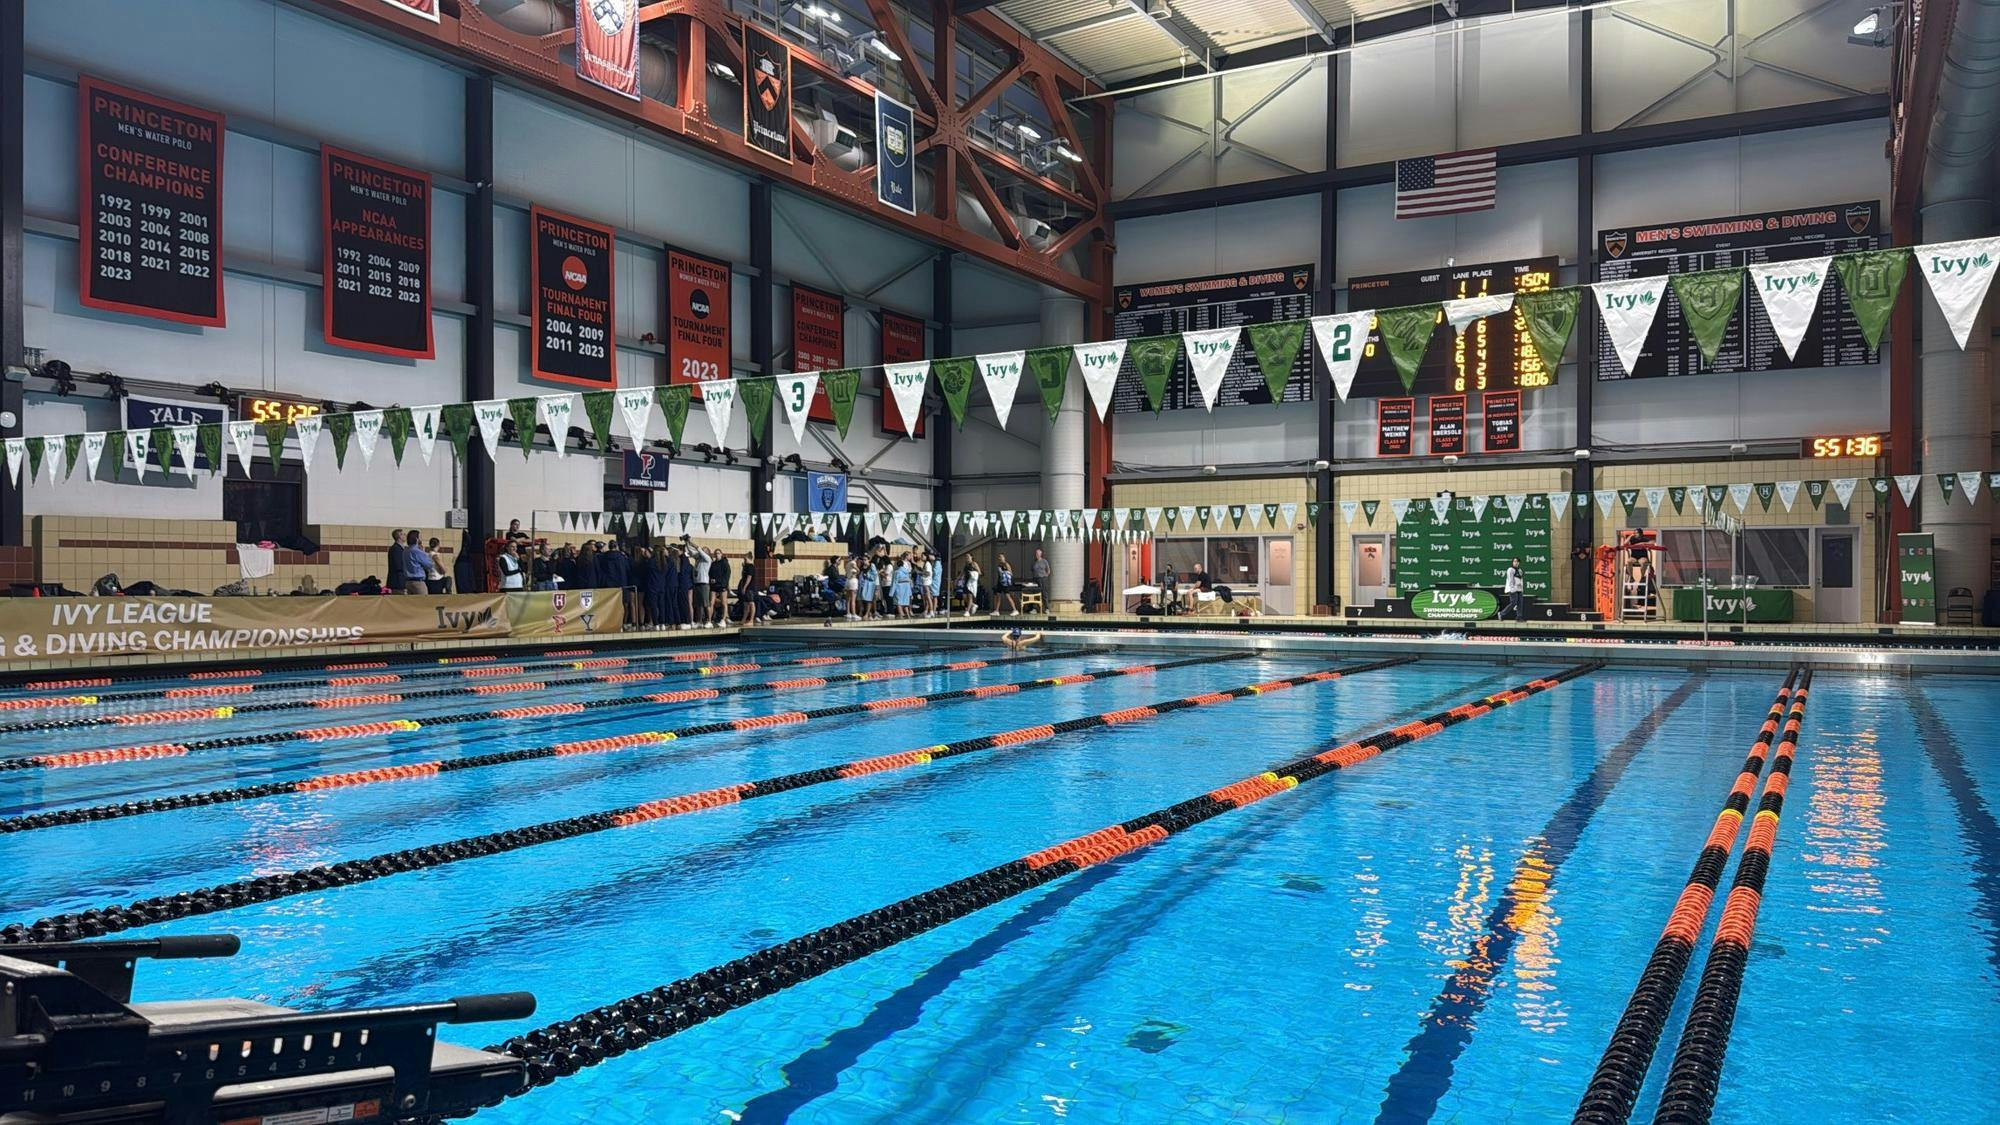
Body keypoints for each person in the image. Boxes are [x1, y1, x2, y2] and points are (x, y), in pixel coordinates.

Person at [688, 539, 711, 629]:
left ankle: (709, 621)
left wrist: (691, 542)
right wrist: (686, 542)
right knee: (698, 604)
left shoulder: (707, 559)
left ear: (707, 553)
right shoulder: (698, 559)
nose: (702, 550)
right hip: (697, 583)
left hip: (704, 583)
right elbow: (691, 551)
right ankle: (699, 621)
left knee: (706, 604)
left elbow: (698, 549)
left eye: (705, 550)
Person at [402, 530, 431, 596]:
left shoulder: (405, 551)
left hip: (408, 582)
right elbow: (428, 564)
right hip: (418, 582)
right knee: (423, 604)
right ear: (416, 539)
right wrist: (423, 552)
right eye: (420, 536)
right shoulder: (417, 551)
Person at [708, 551, 731, 626]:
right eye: (715, 554)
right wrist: (711, 580)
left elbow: (727, 575)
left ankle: (723, 619)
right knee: (711, 602)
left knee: (724, 602)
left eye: (718, 553)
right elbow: (710, 573)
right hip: (714, 586)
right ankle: (709, 620)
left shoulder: (724, 563)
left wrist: (724, 584)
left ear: (721, 554)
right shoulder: (713, 564)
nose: (717, 555)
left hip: (722, 585)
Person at [1503, 556, 1525, 621]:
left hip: (1519, 589)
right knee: (1513, 603)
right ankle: (1501, 614)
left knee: (1520, 603)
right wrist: (1512, 589)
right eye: (1515, 561)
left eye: (1517, 562)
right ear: (1512, 562)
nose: (1516, 563)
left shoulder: (1520, 570)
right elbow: (1510, 580)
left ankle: (1519, 617)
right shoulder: (1510, 570)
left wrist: (1522, 589)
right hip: (1513, 589)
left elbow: (1521, 580)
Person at [892, 552, 913, 619]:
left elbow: (894, 582)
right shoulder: (906, 572)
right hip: (906, 587)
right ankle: (908, 614)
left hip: (900, 587)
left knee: (899, 602)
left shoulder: (897, 572)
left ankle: (901, 614)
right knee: (905, 602)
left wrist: (891, 592)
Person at [387, 530, 407, 595]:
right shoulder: (396, 549)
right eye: (403, 534)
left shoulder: (400, 548)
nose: (405, 535)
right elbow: (399, 565)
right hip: (398, 581)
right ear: (399, 536)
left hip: (400, 580)